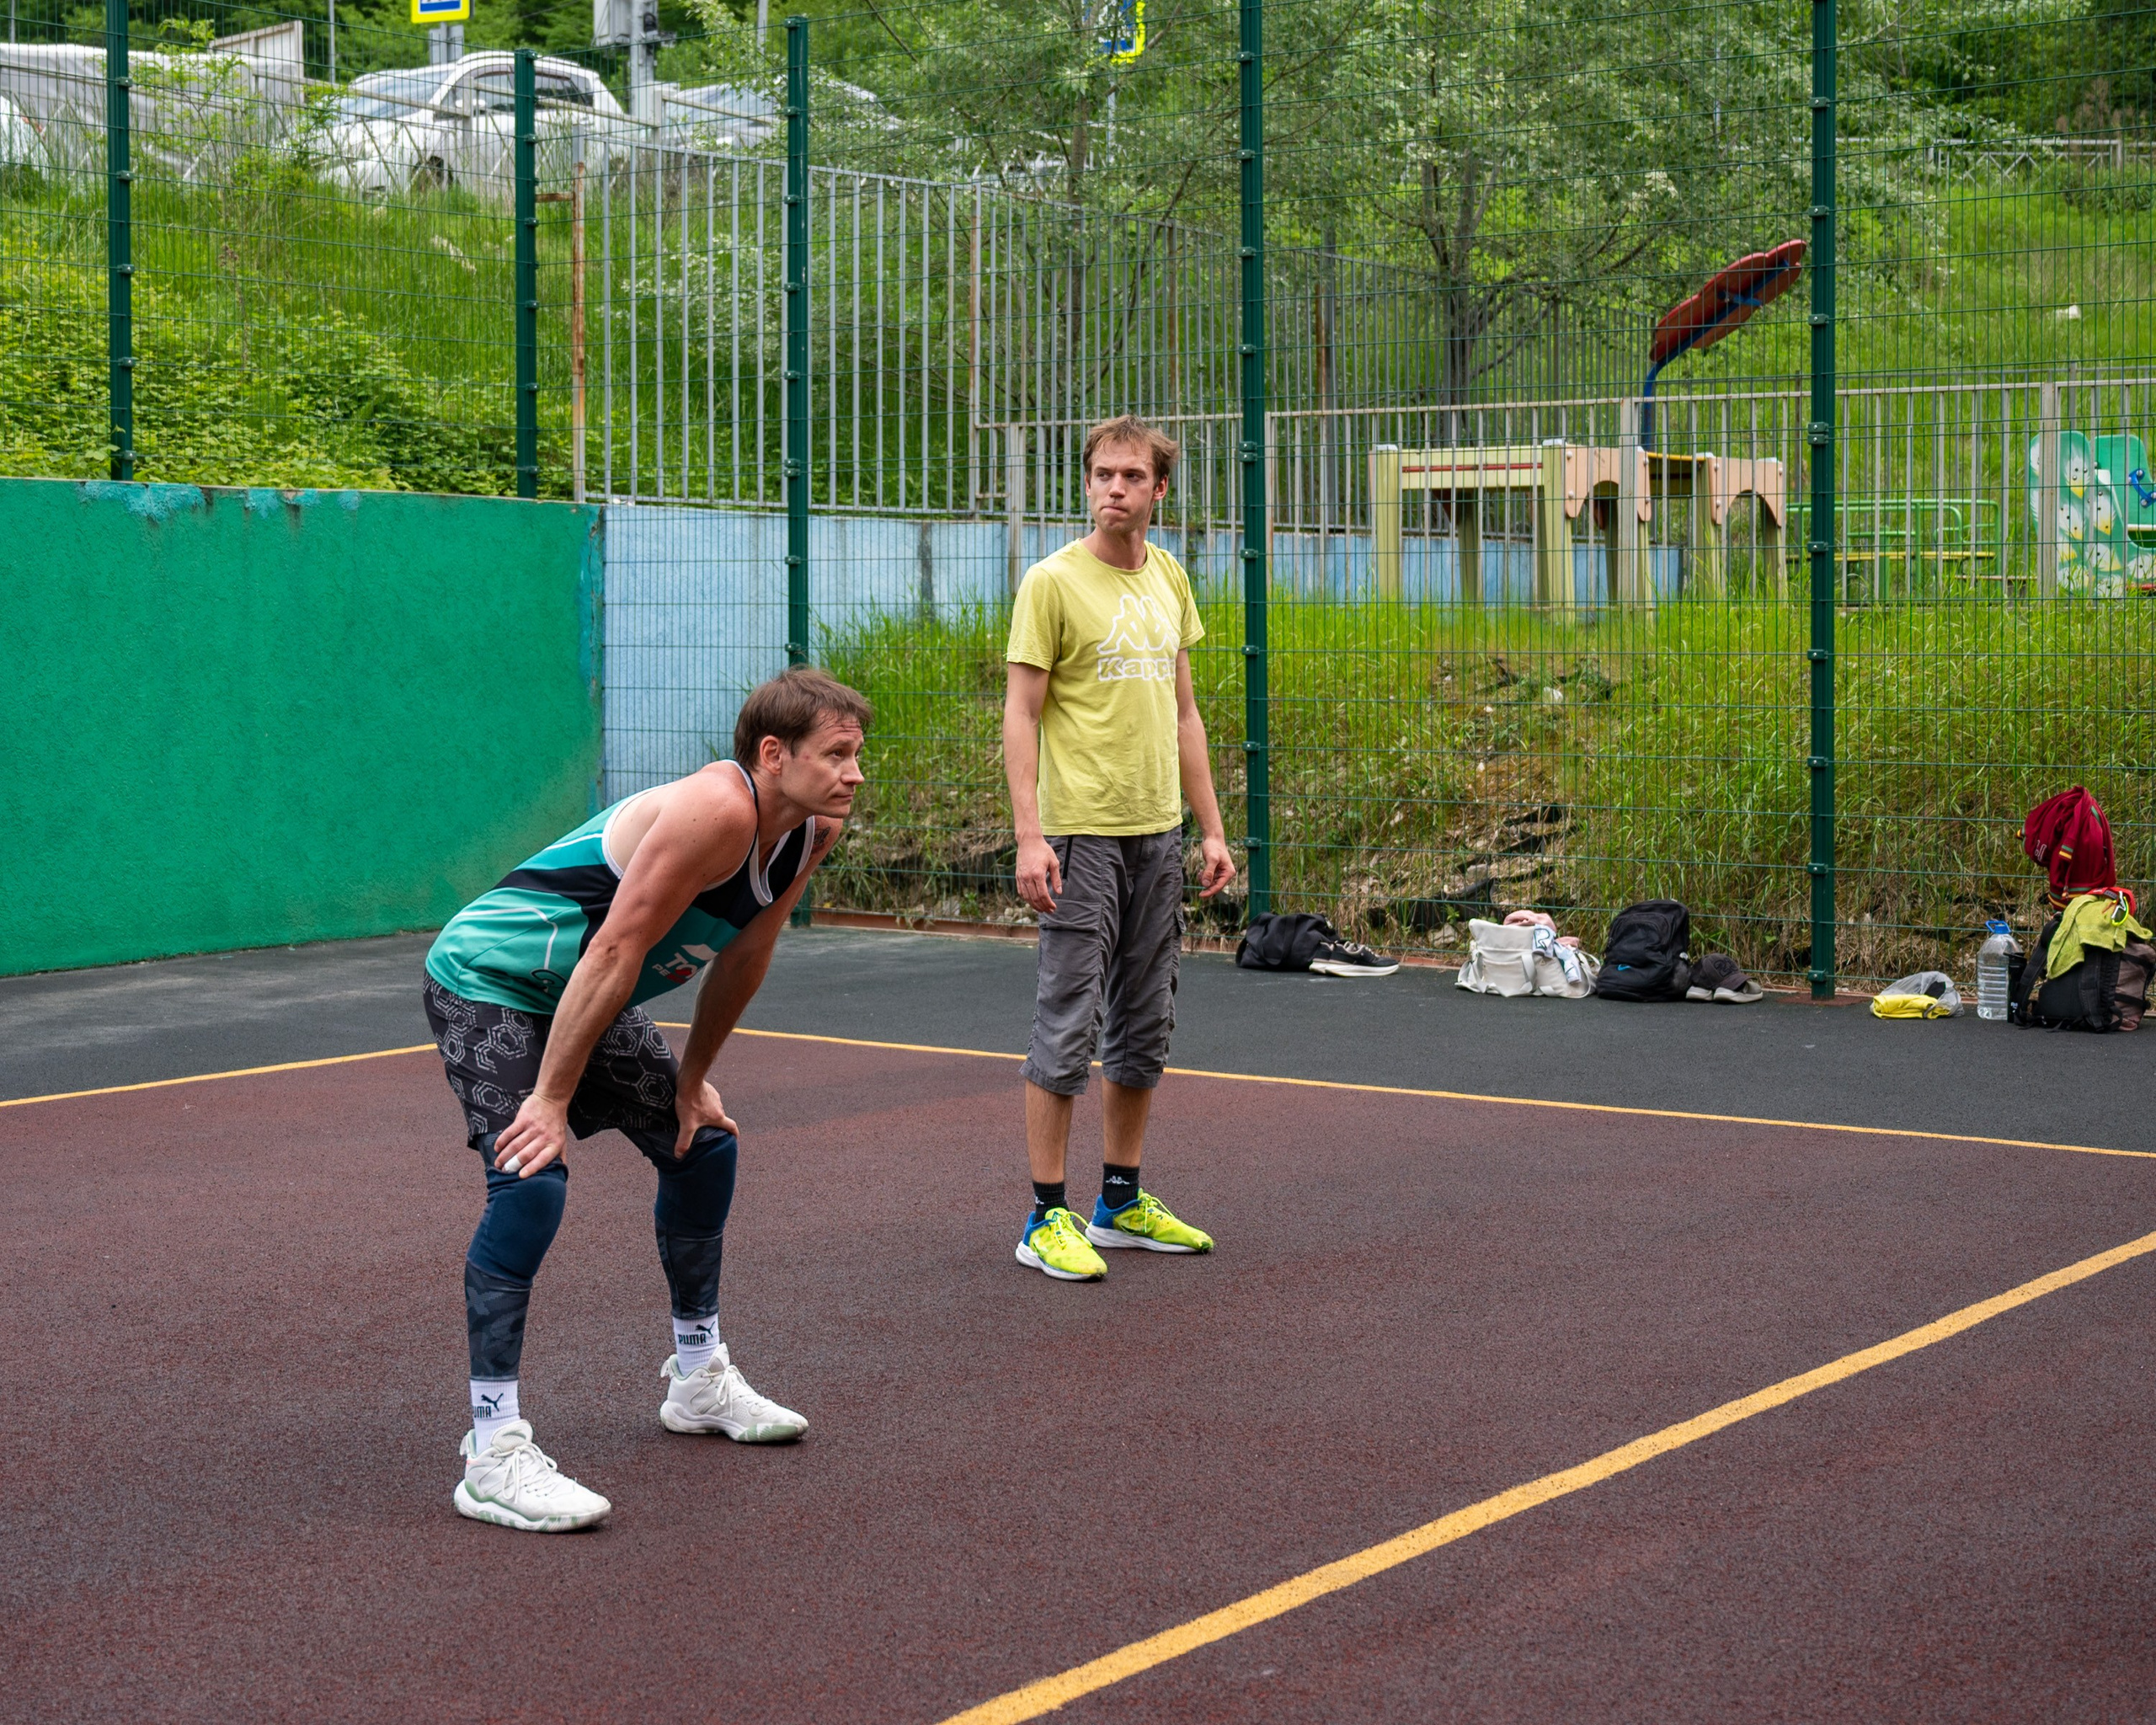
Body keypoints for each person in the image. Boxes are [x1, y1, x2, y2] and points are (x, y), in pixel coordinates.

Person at [422, 666, 869, 1532]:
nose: (854, 773)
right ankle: (491, 1448)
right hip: (491, 979)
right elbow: (617, 948)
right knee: (531, 1175)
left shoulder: (808, 831)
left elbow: (745, 954)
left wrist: (693, 1078)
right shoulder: (717, 810)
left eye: (858, 755)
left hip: (581, 990)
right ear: (772, 755)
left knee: (699, 1144)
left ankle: (698, 1379)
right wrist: (549, 1100)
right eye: (837, 754)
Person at [1003, 414, 1237, 1283]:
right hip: (1077, 833)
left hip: (1157, 832)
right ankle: (1043, 1214)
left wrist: (1208, 826)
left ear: (1158, 490)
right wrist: (1030, 836)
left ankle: (1121, 1198)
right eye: (1102, 473)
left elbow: (1183, 713)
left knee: (1146, 1019)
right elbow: (1020, 715)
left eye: (1131, 476)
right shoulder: (1052, 583)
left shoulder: (1169, 576)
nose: (1113, 488)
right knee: (1068, 1019)